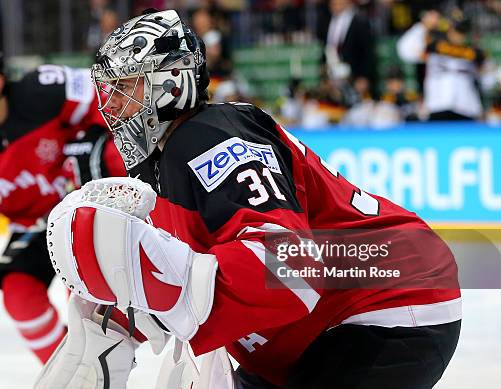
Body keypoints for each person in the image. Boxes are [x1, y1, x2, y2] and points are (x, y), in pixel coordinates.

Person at [41, 10, 461, 389]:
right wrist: (121, 314)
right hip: (327, 321)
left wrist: (172, 293)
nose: (111, 104)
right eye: (108, 89)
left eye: (125, 86)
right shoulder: (172, 156)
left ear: (169, 85)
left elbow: (289, 265)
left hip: (386, 304)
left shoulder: (210, 136)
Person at [0, 41, 125, 363]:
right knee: (18, 294)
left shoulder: (43, 90)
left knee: (82, 296)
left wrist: (99, 147)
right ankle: (71, 372)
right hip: (32, 227)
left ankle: (103, 359)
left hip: (84, 209)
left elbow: (117, 103)